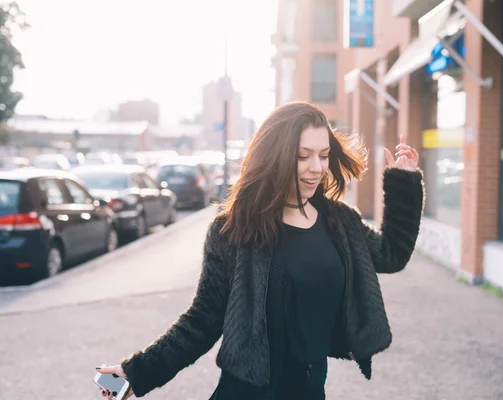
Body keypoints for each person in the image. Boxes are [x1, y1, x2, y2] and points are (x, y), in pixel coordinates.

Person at [96, 101, 424, 399]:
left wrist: (403, 185)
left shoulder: (340, 223)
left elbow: (391, 254)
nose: (316, 168)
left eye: (323, 155)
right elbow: (202, 319)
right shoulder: (234, 231)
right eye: (302, 155)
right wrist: (135, 374)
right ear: (276, 156)